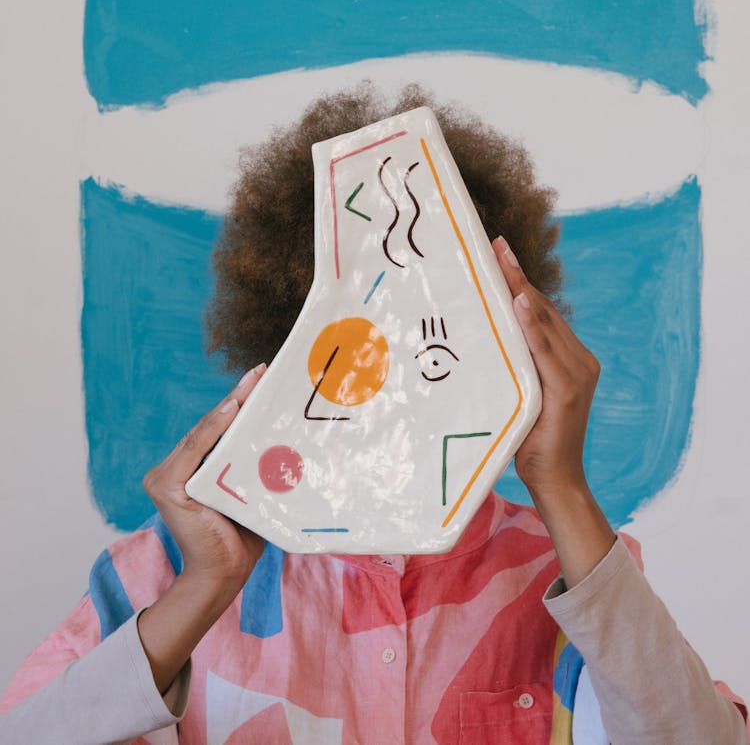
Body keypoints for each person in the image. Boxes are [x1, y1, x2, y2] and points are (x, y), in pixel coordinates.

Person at [1, 84, 747, 744]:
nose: (401, 387)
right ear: (287, 350)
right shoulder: (159, 577)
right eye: (354, 353)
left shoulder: (572, 575)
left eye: (442, 350)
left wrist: (565, 490)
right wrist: (201, 591)